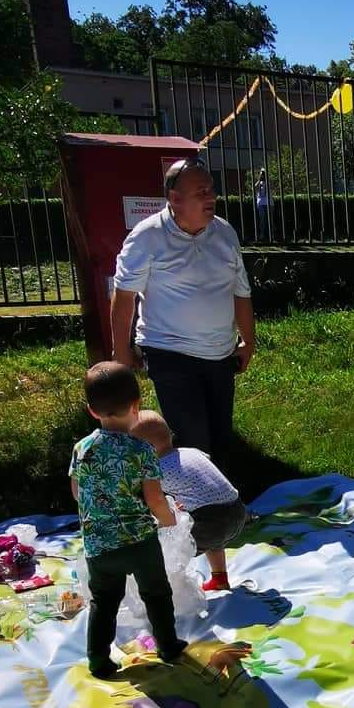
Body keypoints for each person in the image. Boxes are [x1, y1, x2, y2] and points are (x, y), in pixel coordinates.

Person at [110, 158, 255, 460]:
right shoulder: (147, 237)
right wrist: (122, 352)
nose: (211, 197)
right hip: (169, 353)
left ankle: (219, 501)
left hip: (219, 354)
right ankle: (193, 504)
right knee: (193, 441)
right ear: (175, 199)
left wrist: (248, 341)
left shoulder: (224, 233)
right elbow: (123, 298)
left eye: (211, 190)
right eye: (201, 192)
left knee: (220, 437)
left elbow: (241, 293)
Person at [70, 363, 186, 680]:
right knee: (156, 594)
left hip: (99, 545)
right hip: (139, 542)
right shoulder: (141, 450)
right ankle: (168, 645)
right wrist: (167, 519)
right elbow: (154, 498)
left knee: (103, 602)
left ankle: (98, 660)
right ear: (136, 406)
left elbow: (78, 493)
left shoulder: (82, 449)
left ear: (92, 411)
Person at [131, 409, 248, 594]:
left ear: (148, 449)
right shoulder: (191, 452)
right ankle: (219, 579)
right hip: (237, 510)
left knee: (171, 549)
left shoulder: (156, 470)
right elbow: (197, 481)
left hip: (211, 520)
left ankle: (164, 590)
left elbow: (153, 501)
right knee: (214, 543)